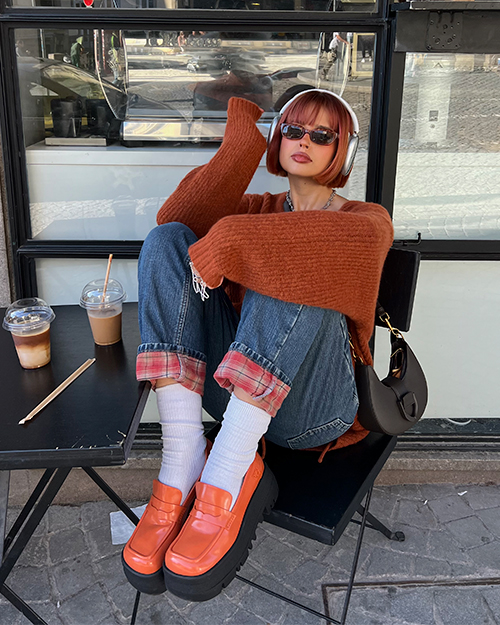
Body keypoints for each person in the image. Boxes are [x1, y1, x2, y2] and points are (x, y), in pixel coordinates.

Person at [122, 89, 393, 602]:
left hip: (316, 413)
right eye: (292, 130)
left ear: (345, 151)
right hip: (236, 397)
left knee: (301, 260)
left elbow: (347, 246)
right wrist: (243, 145)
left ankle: (227, 472)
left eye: (322, 135)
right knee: (167, 241)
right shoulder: (258, 208)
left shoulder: (367, 218)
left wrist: (236, 242)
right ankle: (182, 459)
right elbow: (173, 218)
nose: (304, 142)